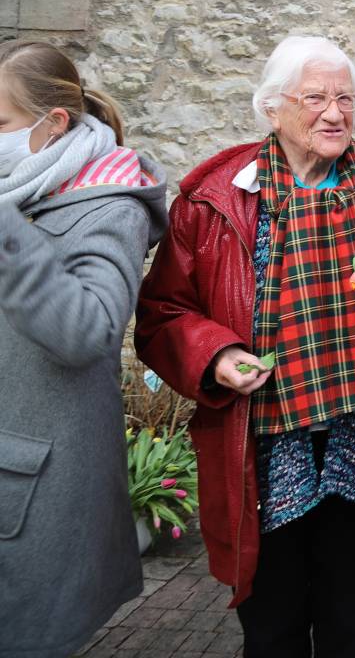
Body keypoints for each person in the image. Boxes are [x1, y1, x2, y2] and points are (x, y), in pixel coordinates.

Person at [135, 36, 355, 657]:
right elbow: (162, 315)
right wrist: (214, 354)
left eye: (347, 98)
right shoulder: (213, 200)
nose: (335, 113)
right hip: (260, 437)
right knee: (273, 619)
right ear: (273, 107)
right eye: (315, 97)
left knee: (351, 616)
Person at [0, 42, 168, 658]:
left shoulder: (108, 203)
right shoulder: (16, 186)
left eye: (2, 125)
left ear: (55, 123)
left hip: (32, 485)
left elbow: (87, 330)